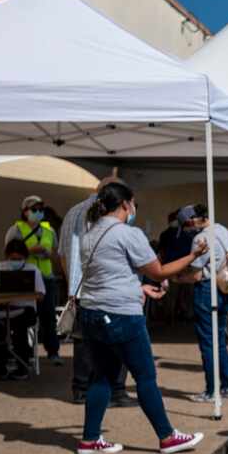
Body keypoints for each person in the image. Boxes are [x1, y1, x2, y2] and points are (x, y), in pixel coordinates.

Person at [75, 181, 203, 454]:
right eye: (132, 203)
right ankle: (167, 436)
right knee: (145, 375)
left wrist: (137, 287)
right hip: (122, 315)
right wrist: (194, 255)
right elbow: (159, 271)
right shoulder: (127, 234)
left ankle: (89, 439)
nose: (133, 208)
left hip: (92, 313)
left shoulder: (89, 233)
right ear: (125, 204)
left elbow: (108, 275)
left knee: (102, 377)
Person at [59, 174, 135, 407]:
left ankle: (81, 388)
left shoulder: (73, 211)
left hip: (79, 287)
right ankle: (116, 390)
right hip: (106, 287)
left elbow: (62, 252)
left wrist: (72, 283)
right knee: (118, 339)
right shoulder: (109, 213)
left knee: (84, 341)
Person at [177, 204, 228, 402]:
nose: (186, 229)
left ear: (193, 220)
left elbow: (194, 274)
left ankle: (212, 390)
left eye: (185, 225)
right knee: (219, 340)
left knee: (207, 343)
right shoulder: (223, 230)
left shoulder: (199, 238)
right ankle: (227, 386)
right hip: (224, 288)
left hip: (206, 290)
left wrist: (176, 278)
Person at [4, 195, 61, 366]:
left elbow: (56, 253)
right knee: (24, 316)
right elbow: (9, 253)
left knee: (49, 316)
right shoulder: (16, 230)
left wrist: (48, 253)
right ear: (25, 211)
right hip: (24, 277)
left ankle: (53, 352)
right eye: (34, 210)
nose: (38, 213)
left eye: (41, 210)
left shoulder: (49, 230)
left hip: (46, 277)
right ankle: (24, 352)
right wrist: (30, 251)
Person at [0, 239, 45, 380]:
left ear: (25, 257)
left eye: (19, 259)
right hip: (3, 307)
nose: (16, 261)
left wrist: (24, 293)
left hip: (25, 309)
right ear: (7, 256)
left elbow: (41, 295)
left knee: (20, 326)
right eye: (13, 259)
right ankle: (0, 367)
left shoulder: (33, 270)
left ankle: (22, 367)